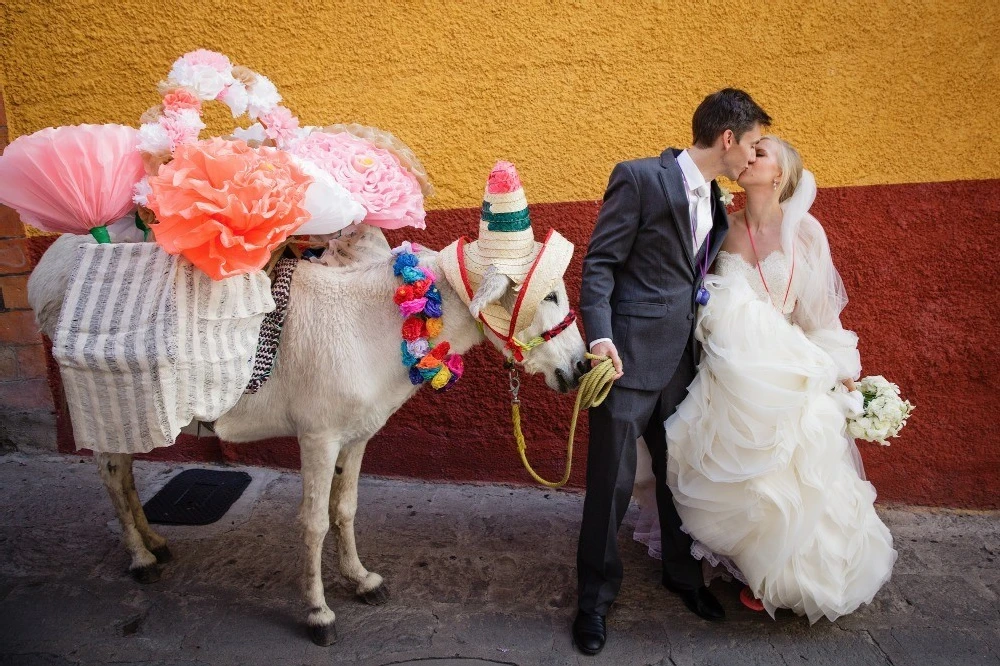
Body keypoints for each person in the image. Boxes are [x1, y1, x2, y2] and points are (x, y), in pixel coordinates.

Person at [635, 135, 897, 624]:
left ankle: (782, 571)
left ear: (781, 174)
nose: (749, 156)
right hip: (727, 374)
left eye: (763, 153)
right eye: (748, 150)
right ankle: (741, 562)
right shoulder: (719, 227)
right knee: (728, 472)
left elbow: (817, 314)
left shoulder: (806, 235)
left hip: (786, 369)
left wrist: (838, 373)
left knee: (789, 472)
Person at [574, 89, 771, 655]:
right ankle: (593, 601)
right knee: (609, 486)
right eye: (753, 143)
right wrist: (602, 337)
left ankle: (683, 578)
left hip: (685, 361)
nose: (754, 156)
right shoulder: (638, 178)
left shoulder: (711, 195)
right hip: (627, 360)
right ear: (727, 139)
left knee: (681, 477)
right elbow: (601, 264)